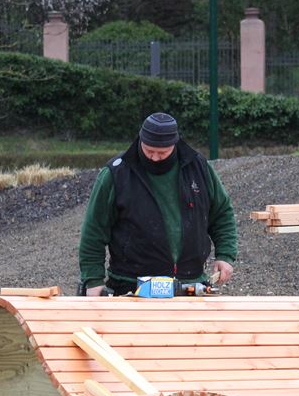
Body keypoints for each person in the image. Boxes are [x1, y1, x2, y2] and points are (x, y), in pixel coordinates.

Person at [78, 112, 237, 296]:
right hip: (130, 287)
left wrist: (225, 255)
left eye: (162, 153)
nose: (154, 158)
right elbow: (94, 230)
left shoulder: (198, 167)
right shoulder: (117, 173)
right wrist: (93, 281)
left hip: (190, 285)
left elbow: (222, 212)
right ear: (140, 140)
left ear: (174, 145)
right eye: (148, 151)